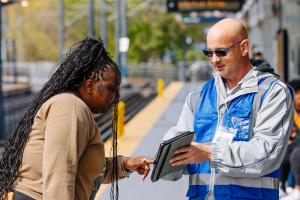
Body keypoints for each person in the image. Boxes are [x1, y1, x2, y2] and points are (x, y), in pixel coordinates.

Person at [0, 38, 153, 200]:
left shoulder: (74, 108)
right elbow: (60, 178)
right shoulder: (70, 107)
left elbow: (87, 168)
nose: (117, 97)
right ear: (89, 85)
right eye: (112, 88)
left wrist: (125, 164)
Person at [163, 18, 294, 200]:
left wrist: (210, 153)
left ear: (244, 47)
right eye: (209, 53)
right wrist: (163, 161)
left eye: (221, 52)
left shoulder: (272, 93)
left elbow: (266, 154)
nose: (214, 60)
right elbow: (181, 154)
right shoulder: (197, 98)